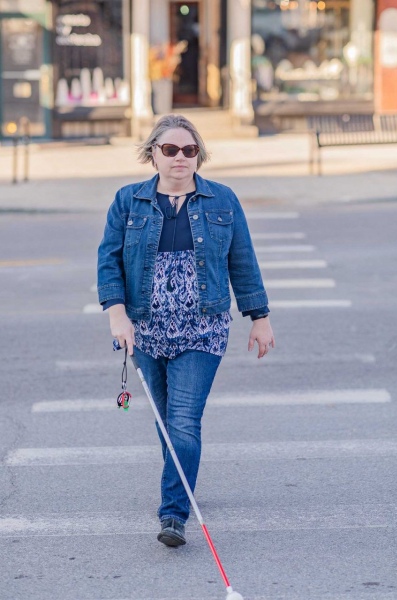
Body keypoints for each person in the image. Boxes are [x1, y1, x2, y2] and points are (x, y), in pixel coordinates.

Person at [97, 114, 275, 547]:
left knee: (183, 419)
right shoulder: (128, 201)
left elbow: (243, 260)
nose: (180, 158)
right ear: (152, 154)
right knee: (166, 420)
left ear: (199, 155)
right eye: (170, 149)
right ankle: (180, 480)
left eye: (189, 150)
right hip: (146, 329)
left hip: (203, 327)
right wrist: (116, 314)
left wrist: (260, 316)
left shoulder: (222, 200)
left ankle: (173, 513)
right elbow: (109, 260)